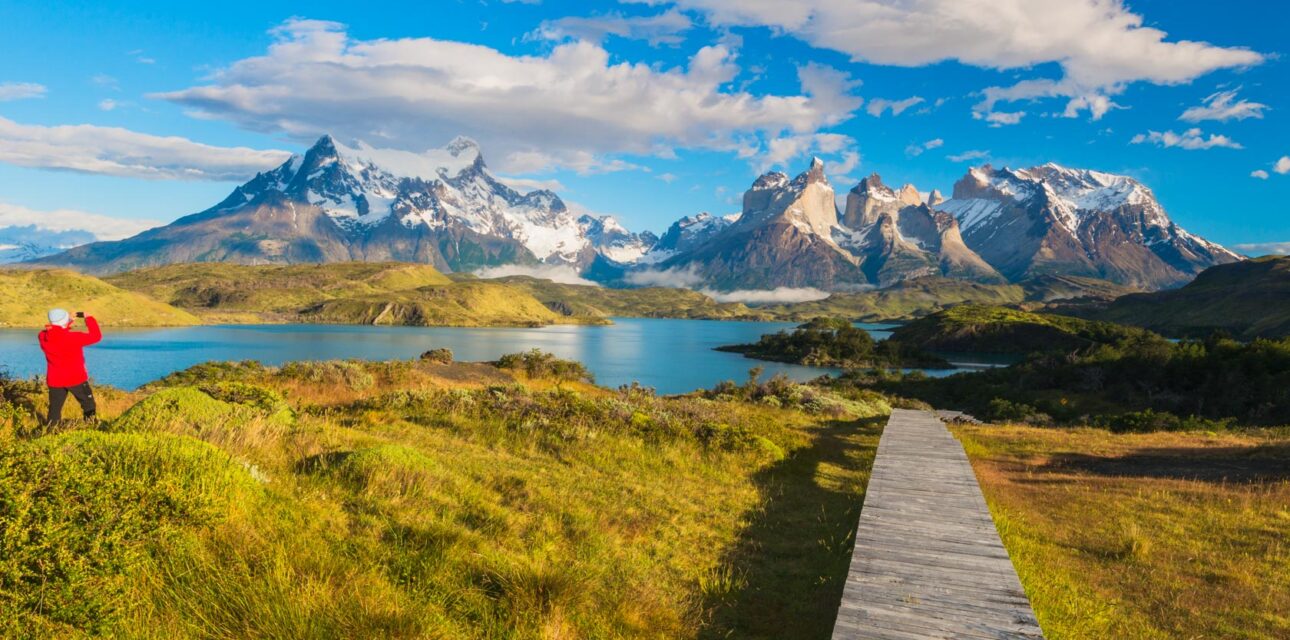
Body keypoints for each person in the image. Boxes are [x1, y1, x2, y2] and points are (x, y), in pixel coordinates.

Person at [38, 308, 101, 424]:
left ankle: (52, 432)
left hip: (55, 379)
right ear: (64, 321)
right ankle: (91, 426)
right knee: (88, 404)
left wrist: (68, 321)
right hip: (76, 378)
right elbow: (96, 336)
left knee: (55, 409)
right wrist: (89, 318)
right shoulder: (73, 337)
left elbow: (54, 331)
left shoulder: (43, 337)